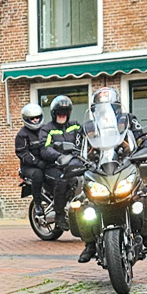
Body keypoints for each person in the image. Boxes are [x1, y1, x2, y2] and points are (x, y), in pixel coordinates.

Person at [37, 95, 87, 244]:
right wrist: (59, 156)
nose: (62, 115)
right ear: (54, 113)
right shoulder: (47, 129)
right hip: (54, 166)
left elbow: (85, 139)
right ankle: (59, 214)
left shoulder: (75, 126)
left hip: (75, 162)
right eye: (59, 113)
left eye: (65, 113)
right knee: (64, 179)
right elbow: (44, 148)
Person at [13, 101, 47, 206]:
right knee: (38, 174)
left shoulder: (46, 130)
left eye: (37, 117)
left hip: (46, 162)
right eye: (32, 118)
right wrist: (37, 162)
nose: (35, 120)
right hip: (29, 166)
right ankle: (38, 204)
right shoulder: (22, 135)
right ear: (26, 119)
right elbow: (23, 153)